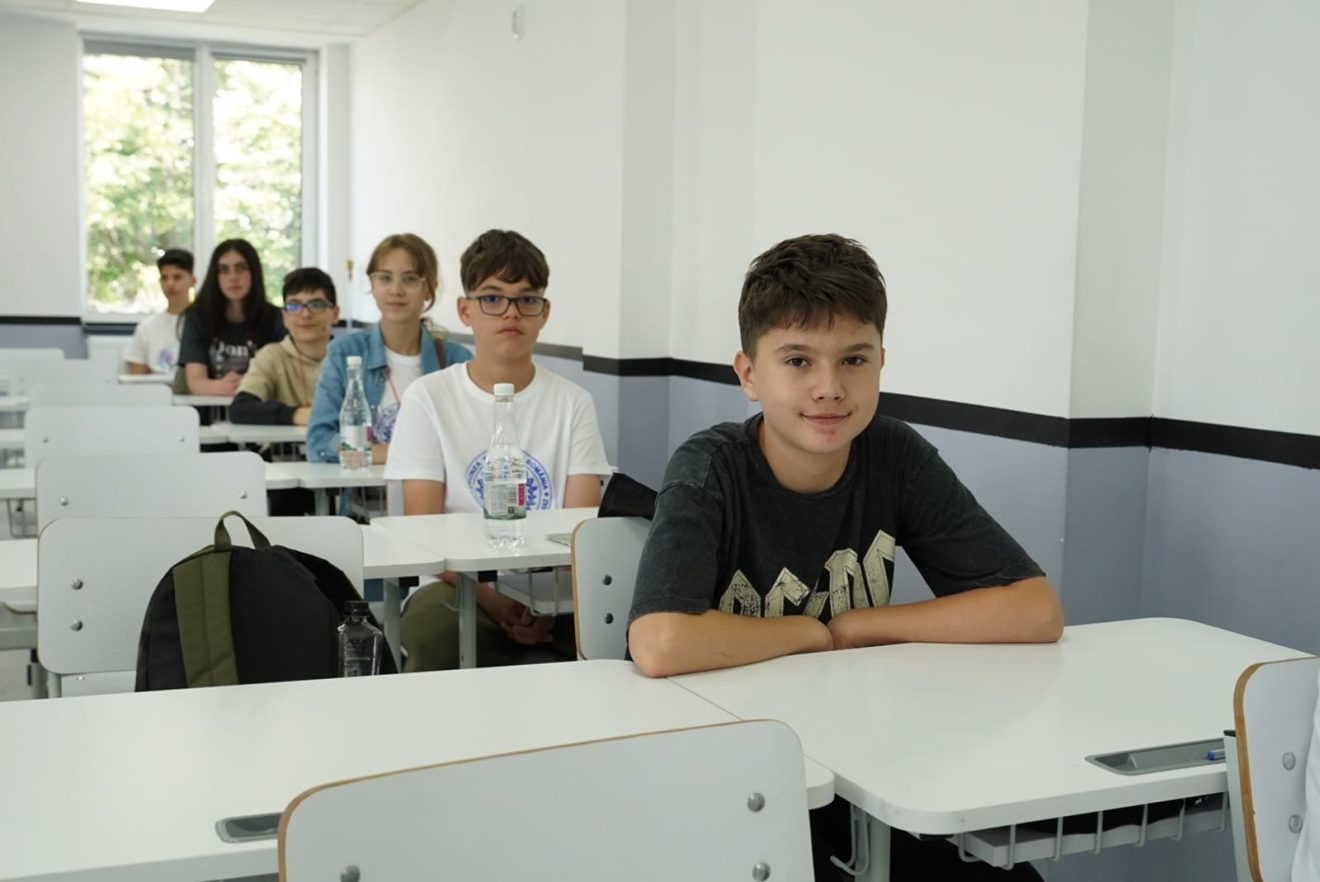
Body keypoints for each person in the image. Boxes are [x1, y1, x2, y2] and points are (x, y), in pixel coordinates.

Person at [625, 233, 1063, 882]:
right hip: (724, 771)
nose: (829, 388)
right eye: (797, 361)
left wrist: (859, 626)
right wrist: (811, 633)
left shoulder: (894, 455)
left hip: (855, 760)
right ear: (748, 375)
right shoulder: (710, 466)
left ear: (882, 363)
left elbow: (1033, 610)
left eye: (854, 359)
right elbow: (660, 642)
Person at [385, 229, 612, 671]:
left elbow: (580, 530)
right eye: (492, 298)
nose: (511, 312)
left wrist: (546, 604)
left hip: (553, 588)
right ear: (465, 310)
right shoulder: (428, 398)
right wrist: (494, 600)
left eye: (527, 300)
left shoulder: (573, 402)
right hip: (455, 584)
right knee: (437, 641)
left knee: (612, 638)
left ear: (544, 312)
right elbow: (422, 532)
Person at [305, 233, 473, 467]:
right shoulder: (345, 353)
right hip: (363, 490)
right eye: (385, 278)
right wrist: (396, 453)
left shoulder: (456, 360)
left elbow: (470, 443)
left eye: (410, 279)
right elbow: (319, 442)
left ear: (430, 288)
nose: (396, 290)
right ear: (372, 285)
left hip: (434, 489)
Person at [230, 267, 339, 426]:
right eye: (294, 306)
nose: (305, 314)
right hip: (286, 443)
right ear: (284, 318)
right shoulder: (271, 356)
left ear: (335, 314)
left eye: (316, 304)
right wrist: (300, 415)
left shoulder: (351, 357)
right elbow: (240, 409)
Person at [177, 239, 284, 396]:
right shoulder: (197, 317)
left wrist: (248, 385)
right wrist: (225, 387)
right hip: (208, 407)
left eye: (241, 268)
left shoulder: (276, 317)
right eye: (224, 270)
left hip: (259, 406)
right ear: (215, 276)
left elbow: (280, 380)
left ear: (254, 272)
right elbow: (195, 382)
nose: (233, 277)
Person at [123, 248, 194, 375]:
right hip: (155, 388)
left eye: (177, 277)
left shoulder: (205, 323)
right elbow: (135, 378)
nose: (170, 283)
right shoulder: (147, 328)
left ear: (193, 281)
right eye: (164, 278)